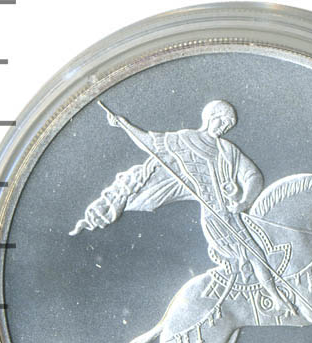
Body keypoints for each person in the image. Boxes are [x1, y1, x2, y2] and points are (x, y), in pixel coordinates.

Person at [71, 100, 295, 316]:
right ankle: (259, 301)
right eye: (223, 121)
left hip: (231, 213)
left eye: (229, 125)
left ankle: (271, 298)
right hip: (213, 217)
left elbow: (252, 175)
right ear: (210, 118)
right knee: (249, 255)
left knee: (256, 252)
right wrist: (125, 125)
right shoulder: (185, 140)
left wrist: (244, 201)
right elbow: (150, 143)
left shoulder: (228, 150)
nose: (225, 127)